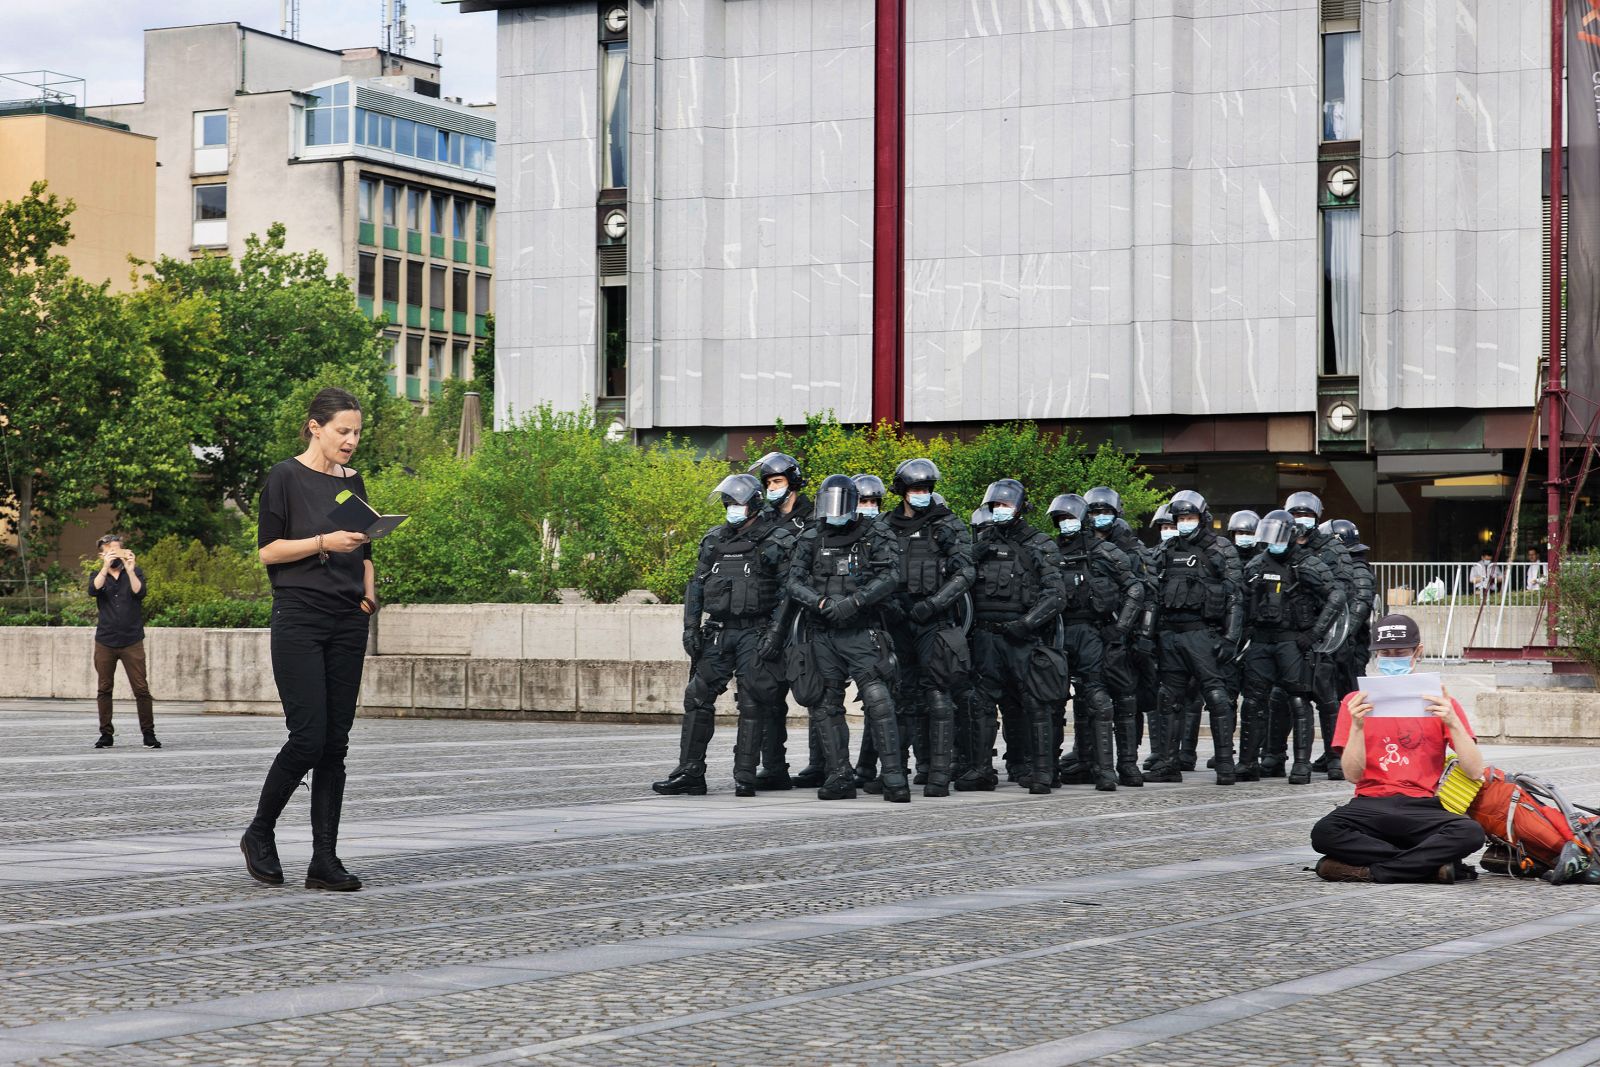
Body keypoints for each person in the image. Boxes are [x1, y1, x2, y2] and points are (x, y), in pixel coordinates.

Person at [240, 387, 378, 893]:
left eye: (357, 432)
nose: (351, 441)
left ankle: (324, 860)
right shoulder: (285, 477)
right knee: (308, 737)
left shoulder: (353, 482)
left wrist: (368, 589)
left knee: (335, 745)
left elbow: (364, 547)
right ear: (315, 427)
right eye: (344, 431)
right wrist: (323, 542)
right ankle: (259, 832)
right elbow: (268, 552)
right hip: (299, 616)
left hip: (348, 619)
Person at [1310, 614, 1487, 883]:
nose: (1392, 658)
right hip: (1370, 803)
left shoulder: (1441, 703)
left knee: (1471, 833)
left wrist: (1451, 721)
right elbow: (1353, 775)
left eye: (1400, 652)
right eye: (1385, 653)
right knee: (1324, 832)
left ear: (1418, 652)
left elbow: (1475, 771)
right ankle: (1426, 866)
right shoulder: (1355, 702)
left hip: (1422, 806)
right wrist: (1358, 726)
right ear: (1375, 655)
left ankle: (1372, 870)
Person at [652, 473, 795, 797]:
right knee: (696, 696)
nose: (731, 508)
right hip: (719, 630)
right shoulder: (714, 540)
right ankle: (690, 772)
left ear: (754, 504)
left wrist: (775, 633)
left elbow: (789, 593)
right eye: (728, 502)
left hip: (754, 631)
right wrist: (690, 627)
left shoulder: (775, 540)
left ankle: (744, 775)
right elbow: (697, 586)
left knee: (752, 701)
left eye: (737, 503)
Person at [785, 474, 908, 802]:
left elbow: (891, 574)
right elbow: (793, 581)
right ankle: (839, 775)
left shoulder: (874, 532)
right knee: (826, 705)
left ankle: (894, 777)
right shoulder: (811, 534)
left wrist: (857, 601)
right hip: (823, 630)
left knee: (878, 700)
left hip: (861, 629)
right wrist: (820, 602)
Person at [877, 459, 974, 797]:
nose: (921, 495)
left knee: (937, 693)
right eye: (915, 489)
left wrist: (934, 604)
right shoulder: (884, 525)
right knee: (900, 696)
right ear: (902, 491)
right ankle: (895, 772)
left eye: (926, 489)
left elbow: (965, 573)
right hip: (895, 621)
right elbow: (872, 570)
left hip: (933, 619)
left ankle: (939, 774)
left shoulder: (946, 524)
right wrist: (885, 604)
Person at [963, 479, 1067, 794]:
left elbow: (1056, 594)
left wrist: (1027, 623)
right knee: (981, 704)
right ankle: (981, 770)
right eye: (995, 506)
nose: (999, 511)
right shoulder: (981, 543)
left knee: (1034, 704)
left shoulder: (1039, 543)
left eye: (1005, 505)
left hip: (1023, 636)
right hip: (986, 637)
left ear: (1020, 508)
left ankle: (1041, 771)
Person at [1237, 511, 1345, 783]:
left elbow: (1336, 595)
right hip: (1261, 640)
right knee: (1252, 702)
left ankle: (1301, 764)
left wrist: (1315, 633)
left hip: (1292, 640)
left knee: (1299, 700)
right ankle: (1248, 762)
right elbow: (1240, 600)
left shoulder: (1306, 564)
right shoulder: (1255, 565)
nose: (1274, 542)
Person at [1146, 490, 1244, 785]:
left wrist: (1231, 638)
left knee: (1216, 696)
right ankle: (1168, 763)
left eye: (1190, 517)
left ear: (1203, 519)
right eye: (1181, 518)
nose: (1185, 523)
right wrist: (1146, 635)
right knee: (1168, 698)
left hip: (1203, 633)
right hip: (1171, 634)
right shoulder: (1165, 550)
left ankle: (1225, 764)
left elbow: (1235, 596)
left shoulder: (1220, 548)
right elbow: (1152, 595)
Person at [1049, 492, 1140, 791]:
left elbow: (1136, 589)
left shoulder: (1104, 550)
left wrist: (1120, 628)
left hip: (1092, 631)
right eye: (1061, 519)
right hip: (1058, 631)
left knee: (1099, 698)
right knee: (1050, 700)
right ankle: (1049, 769)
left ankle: (1108, 771)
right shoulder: (1049, 551)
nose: (1066, 524)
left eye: (1071, 518)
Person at [748, 451, 813, 789]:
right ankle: (773, 767)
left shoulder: (814, 516)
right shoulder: (764, 519)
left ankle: (824, 765)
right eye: (769, 482)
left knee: (817, 692)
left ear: (793, 482)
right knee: (768, 696)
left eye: (778, 481)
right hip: (768, 615)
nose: (773, 488)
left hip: (805, 618)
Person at [1285, 492, 1356, 781]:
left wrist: (1320, 632)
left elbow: (1342, 593)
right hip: (1290, 633)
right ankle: (1290, 759)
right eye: (1296, 514)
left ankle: (1335, 757)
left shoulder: (1332, 549)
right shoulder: (1282, 546)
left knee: (1328, 700)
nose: (1301, 520)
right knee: (1294, 698)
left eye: (1307, 515)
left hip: (1323, 636)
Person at [1083, 487, 1148, 786]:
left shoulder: (1131, 548)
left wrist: (1132, 632)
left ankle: (1128, 763)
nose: (1099, 517)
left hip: (1124, 634)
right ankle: (1090, 759)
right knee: (1093, 699)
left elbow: (1146, 593)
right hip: (1092, 633)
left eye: (1104, 511)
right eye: (1094, 512)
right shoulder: (1083, 546)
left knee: (1126, 699)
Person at [88, 533, 159, 749]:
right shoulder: (98, 574)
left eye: (118, 549)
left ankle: (148, 733)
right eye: (110, 550)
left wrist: (129, 567)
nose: (114, 554)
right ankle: (106, 734)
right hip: (106, 640)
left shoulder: (134, 572)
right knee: (104, 688)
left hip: (132, 639)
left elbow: (140, 592)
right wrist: (105, 566)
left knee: (141, 688)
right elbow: (93, 589)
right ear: (102, 553)